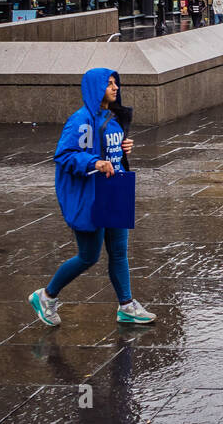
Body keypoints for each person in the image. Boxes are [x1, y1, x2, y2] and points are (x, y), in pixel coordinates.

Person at [30, 68, 154, 327]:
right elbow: (65, 155)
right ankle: (46, 296)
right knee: (89, 256)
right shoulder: (80, 120)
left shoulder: (112, 117)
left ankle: (127, 306)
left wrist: (121, 148)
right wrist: (95, 163)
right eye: (109, 84)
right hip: (91, 194)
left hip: (114, 189)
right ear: (95, 88)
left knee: (119, 252)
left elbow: (109, 149)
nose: (115, 88)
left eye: (115, 83)